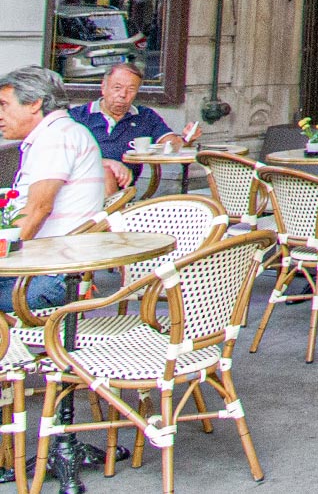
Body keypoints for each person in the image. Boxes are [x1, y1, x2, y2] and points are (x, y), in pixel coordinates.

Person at [0, 66, 108, 313]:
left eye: (4, 105)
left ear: (34, 104)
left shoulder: (56, 137)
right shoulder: (59, 133)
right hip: (49, 271)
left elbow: (38, 209)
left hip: (49, 278)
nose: (0, 114)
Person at [70, 62, 187, 192]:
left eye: (131, 90)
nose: (123, 95)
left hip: (124, 191)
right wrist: (107, 163)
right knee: (106, 173)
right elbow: (64, 156)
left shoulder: (145, 116)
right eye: (117, 88)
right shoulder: (78, 116)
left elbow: (170, 144)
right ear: (103, 87)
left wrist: (186, 139)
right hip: (80, 189)